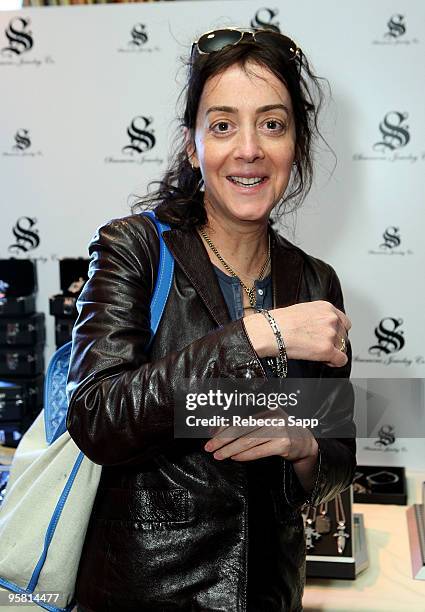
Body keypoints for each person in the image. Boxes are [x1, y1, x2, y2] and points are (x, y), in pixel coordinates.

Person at [67, 27, 356, 612]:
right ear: (191, 145)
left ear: (295, 144)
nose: (248, 149)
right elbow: (96, 415)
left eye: (272, 124)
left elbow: (340, 453)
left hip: (271, 594)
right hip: (145, 592)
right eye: (222, 125)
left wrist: (304, 446)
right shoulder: (136, 249)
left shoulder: (315, 282)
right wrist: (259, 335)